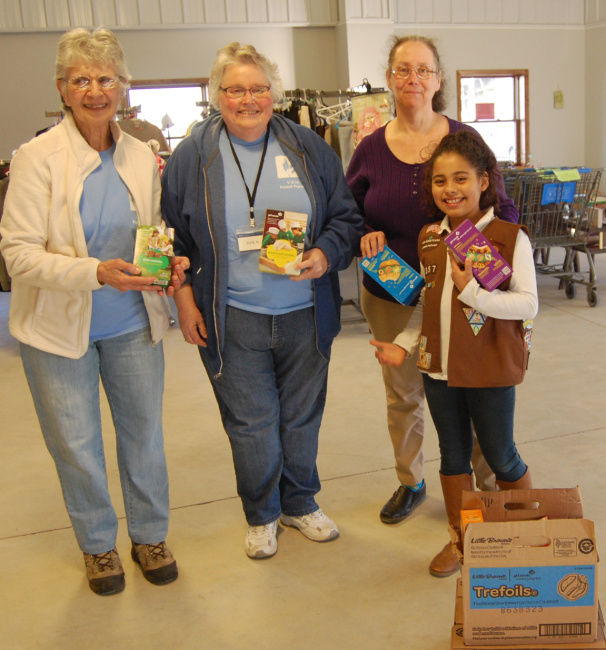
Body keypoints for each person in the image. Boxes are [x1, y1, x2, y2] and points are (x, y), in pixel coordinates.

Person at [0, 28, 189, 596]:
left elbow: (153, 232)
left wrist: (167, 263)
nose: (94, 90)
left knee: (143, 437)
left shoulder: (140, 155)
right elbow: (17, 253)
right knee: (77, 445)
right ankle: (98, 547)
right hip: (57, 333)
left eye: (106, 78)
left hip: (132, 323)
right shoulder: (34, 159)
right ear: (62, 88)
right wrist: (94, 273)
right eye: (81, 79)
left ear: (123, 86)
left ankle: (150, 535)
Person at [161, 42, 364, 559]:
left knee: (301, 417)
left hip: (304, 313)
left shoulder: (308, 147)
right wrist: (184, 304)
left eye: (257, 88)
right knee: (251, 424)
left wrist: (324, 253)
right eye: (234, 89)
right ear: (217, 96)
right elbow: (172, 241)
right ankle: (262, 513)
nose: (247, 99)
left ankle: (299, 503)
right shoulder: (192, 157)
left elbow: (345, 217)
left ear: (273, 94)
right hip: (232, 315)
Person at [346, 35, 519, 527]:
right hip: (392, 291)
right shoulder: (371, 149)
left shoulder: (464, 140)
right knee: (404, 395)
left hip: (464, 292)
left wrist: (494, 269)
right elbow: (346, 210)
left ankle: (490, 492)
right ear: (389, 79)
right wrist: (364, 235)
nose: (413, 79)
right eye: (403, 70)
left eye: (423, 70)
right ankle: (411, 481)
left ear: (439, 79)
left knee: (475, 390)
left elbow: (502, 207)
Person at [370, 130, 537, 577]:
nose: (450, 189)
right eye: (440, 181)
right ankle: (463, 541)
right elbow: (427, 304)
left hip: (490, 368)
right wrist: (402, 346)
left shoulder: (508, 237)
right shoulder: (429, 237)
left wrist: (474, 294)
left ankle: (524, 537)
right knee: (453, 457)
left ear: (484, 181)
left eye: (461, 178)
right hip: (438, 370)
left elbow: (527, 304)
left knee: (501, 456)